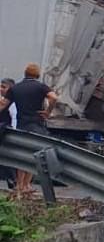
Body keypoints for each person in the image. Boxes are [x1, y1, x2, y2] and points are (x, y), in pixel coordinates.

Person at [0, 64, 58, 194]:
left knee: (22, 155)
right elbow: (53, 97)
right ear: (37, 75)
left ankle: (20, 185)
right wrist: (48, 111)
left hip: (22, 125)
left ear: (25, 73)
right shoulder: (41, 87)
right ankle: (27, 185)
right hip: (36, 125)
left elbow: (3, 104)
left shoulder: (15, 88)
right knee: (35, 154)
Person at [0, 78, 16, 189]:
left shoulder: (13, 103)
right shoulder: (2, 101)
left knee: (6, 157)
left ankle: (12, 180)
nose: (1, 89)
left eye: (3, 87)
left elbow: (14, 119)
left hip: (6, 132)